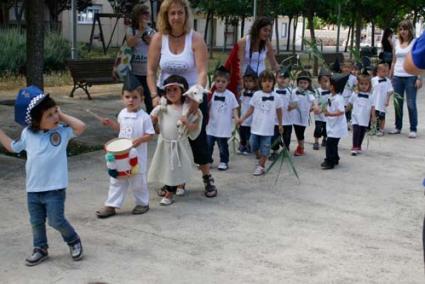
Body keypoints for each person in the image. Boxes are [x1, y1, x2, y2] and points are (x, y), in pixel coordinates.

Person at [0, 86, 85, 266]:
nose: (55, 117)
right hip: (33, 189)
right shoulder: (27, 134)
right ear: (36, 122)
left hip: (55, 188)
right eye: (49, 115)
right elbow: (13, 147)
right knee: (36, 222)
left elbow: (80, 127)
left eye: (55, 112)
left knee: (56, 220)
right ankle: (40, 248)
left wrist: (61, 115)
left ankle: (73, 239)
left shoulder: (61, 132)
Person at [146, 0, 217, 198]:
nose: (176, 17)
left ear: (186, 14)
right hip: (166, 96)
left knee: (197, 138)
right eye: (172, 13)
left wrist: (197, 96)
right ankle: (174, 182)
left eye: (180, 13)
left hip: (190, 96)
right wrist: (153, 95)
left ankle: (207, 177)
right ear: (166, 16)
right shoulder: (159, 39)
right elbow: (151, 71)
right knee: (169, 139)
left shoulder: (195, 39)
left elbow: (203, 71)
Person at [96, 76, 155, 218]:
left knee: (138, 182)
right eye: (127, 97)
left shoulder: (144, 117)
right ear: (122, 98)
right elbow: (121, 130)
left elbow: (150, 135)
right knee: (117, 180)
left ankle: (142, 203)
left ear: (141, 98)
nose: (131, 100)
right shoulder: (122, 114)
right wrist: (111, 124)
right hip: (121, 156)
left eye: (135, 97)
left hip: (137, 157)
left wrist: (140, 139)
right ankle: (111, 205)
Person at [148, 75, 203, 205]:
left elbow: (195, 126)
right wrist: (154, 123)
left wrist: (187, 124)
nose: (171, 93)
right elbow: (156, 126)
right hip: (165, 143)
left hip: (179, 144)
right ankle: (178, 185)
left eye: (175, 90)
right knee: (169, 168)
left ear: (183, 92)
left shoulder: (188, 109)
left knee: (177, 167)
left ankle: (169, 193)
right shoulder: (163, 108)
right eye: (168, 90)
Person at [237, 70, 283, 176]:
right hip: (255, 128)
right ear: (260, 83)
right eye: (264, 81)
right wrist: (242, 118)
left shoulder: (276, 97)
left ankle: (261, 166)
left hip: (268, 129)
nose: (267, 83)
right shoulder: (256, 95)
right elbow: (251, 109)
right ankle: (258, 154)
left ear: (273, 82)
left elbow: (279, 111)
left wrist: (280, 124)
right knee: (253, 145)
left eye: (270, 81)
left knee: (265, 149)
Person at [389, 20, 422, 138]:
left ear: (410, 30)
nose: (403, 31)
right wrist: (390, 76)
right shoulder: (396, 42)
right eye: (401, 29)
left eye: (405, 29)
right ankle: (398, 127)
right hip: (397, 77)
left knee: (411, 104)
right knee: (398, 103)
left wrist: (419, 78)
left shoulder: (415, 42)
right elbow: (394, 61)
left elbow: (420, 61)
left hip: (411, 77)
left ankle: (413, 128)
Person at [206, 67, 239, 171]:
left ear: (228, 82)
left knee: (223, 146)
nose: (220, 84)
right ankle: (208, 160)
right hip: (211, 125)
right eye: (218, 81)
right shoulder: (211, 94)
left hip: (223, 126)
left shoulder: (230, 95)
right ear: (214, 81)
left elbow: (235, 108)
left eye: (223, 82)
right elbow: (206, 106)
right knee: (208, 144)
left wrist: (237, 118)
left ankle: (224, 161)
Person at [126, 4, 155, 113]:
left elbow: (158, 47)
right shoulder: (131, 30)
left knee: (149, 100)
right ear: (137, 15)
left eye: (148, 14)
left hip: (148, 73)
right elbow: (130, 43)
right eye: (144, 13)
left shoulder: (152, 31)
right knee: (133, 100)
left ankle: (151, 123)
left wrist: (150, 41)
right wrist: (141, 32)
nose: (147, 16)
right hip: (135, 72)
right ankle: (133, 122)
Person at [321, 74, 348, 169]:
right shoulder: (331, 96)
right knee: (333, 143)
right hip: (332, 124)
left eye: (328, 82)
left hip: (338, 125)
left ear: (333, 87)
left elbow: (341, 111)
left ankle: (330, 161)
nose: (327, 84)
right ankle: (335, 158)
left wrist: (329, 114)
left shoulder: (339, 98)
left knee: (330, 143)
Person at [269, 66, 297, 160]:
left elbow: (296, 104)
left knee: (286, 137)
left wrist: (292, 106)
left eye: (285, 77)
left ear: (289, 80)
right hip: (275, 121)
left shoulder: (291, 91)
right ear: (276, 79)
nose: (282, 80)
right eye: (280, 77)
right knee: (274, 137)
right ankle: (274, 151)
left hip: (287, 121)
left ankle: (285, 149)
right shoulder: (273, 91)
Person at [290, 71, 318, 156]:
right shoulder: (294, 91)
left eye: (305, 83)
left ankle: (301, 147)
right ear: (297, 83)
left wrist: (315, 107)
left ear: (308, 84)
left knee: (300, 133)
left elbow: (314, 102)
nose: (302, 84)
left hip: (303, 117)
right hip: (295, 116)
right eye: (301, 82)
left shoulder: (309, 93)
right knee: (297, 132)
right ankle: (300, 147)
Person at [349, 73, 375, 155]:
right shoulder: (355, 94)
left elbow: (372, 107)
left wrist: (373, 117)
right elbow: (350, 104)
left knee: (362, 132)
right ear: (358, 84)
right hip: (355, 116)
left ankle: (359, 145)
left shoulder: (370, 96)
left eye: (366, 84)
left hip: (364, 118)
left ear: (369, 85)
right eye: (361, 84)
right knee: (356, 131)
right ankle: (354, 146)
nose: (364, 86)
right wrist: (344, 111)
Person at [238, 66, 258, 155]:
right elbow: (240, 103)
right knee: (242, 132)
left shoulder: (257, 94)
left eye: (250, 81)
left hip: (252, 118)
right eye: (246, 81)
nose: (248, 83)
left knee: (249, 134)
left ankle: (249, 146)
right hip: (243, 117)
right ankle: (242, 145)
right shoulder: (243, 92)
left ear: (255, 82)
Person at [371, 63, 394, 136]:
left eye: (387, 71)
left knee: (382, 116)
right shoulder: (373, 79)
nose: (385, 73)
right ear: (378, 71)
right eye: (383, 71)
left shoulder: (388, 81)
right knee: (374, 115)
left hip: (382, 102)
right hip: (374, 101)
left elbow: (389, 91)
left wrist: (387, 100)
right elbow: (370, 90)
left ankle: (381, 129)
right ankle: (374, 128)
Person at [313, 68, 332, 150]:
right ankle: (316, 141)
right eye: (324, 81)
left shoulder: (332, 92)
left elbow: (331, 102)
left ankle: (325, 139)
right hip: (318, 115)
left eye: (328, 81)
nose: (326, 83)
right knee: (318, 128)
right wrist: (316, 107)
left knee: (326, 129)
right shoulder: (317, 91)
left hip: (327, 114)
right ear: (319, 82)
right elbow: (315, 100)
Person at [341, 60, 357, 127]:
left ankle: (347, 122)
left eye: (348, 67)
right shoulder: (339, 77)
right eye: (345, 67)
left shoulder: (353, 78)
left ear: (351, 69)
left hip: (349, 97)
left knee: (348, 110)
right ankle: (342, 123)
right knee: (341, 110)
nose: (346, 69)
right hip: (341, 97)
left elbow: (356, 87)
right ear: (342, 68)